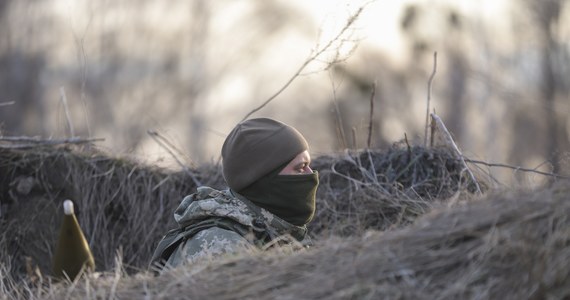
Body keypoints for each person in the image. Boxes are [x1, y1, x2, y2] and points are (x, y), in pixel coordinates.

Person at [150, 118, 319, 271]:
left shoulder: (275, 234)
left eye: (308, 165)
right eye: (300, 167)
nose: (311, 174)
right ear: (265, 178)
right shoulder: (218, 247)